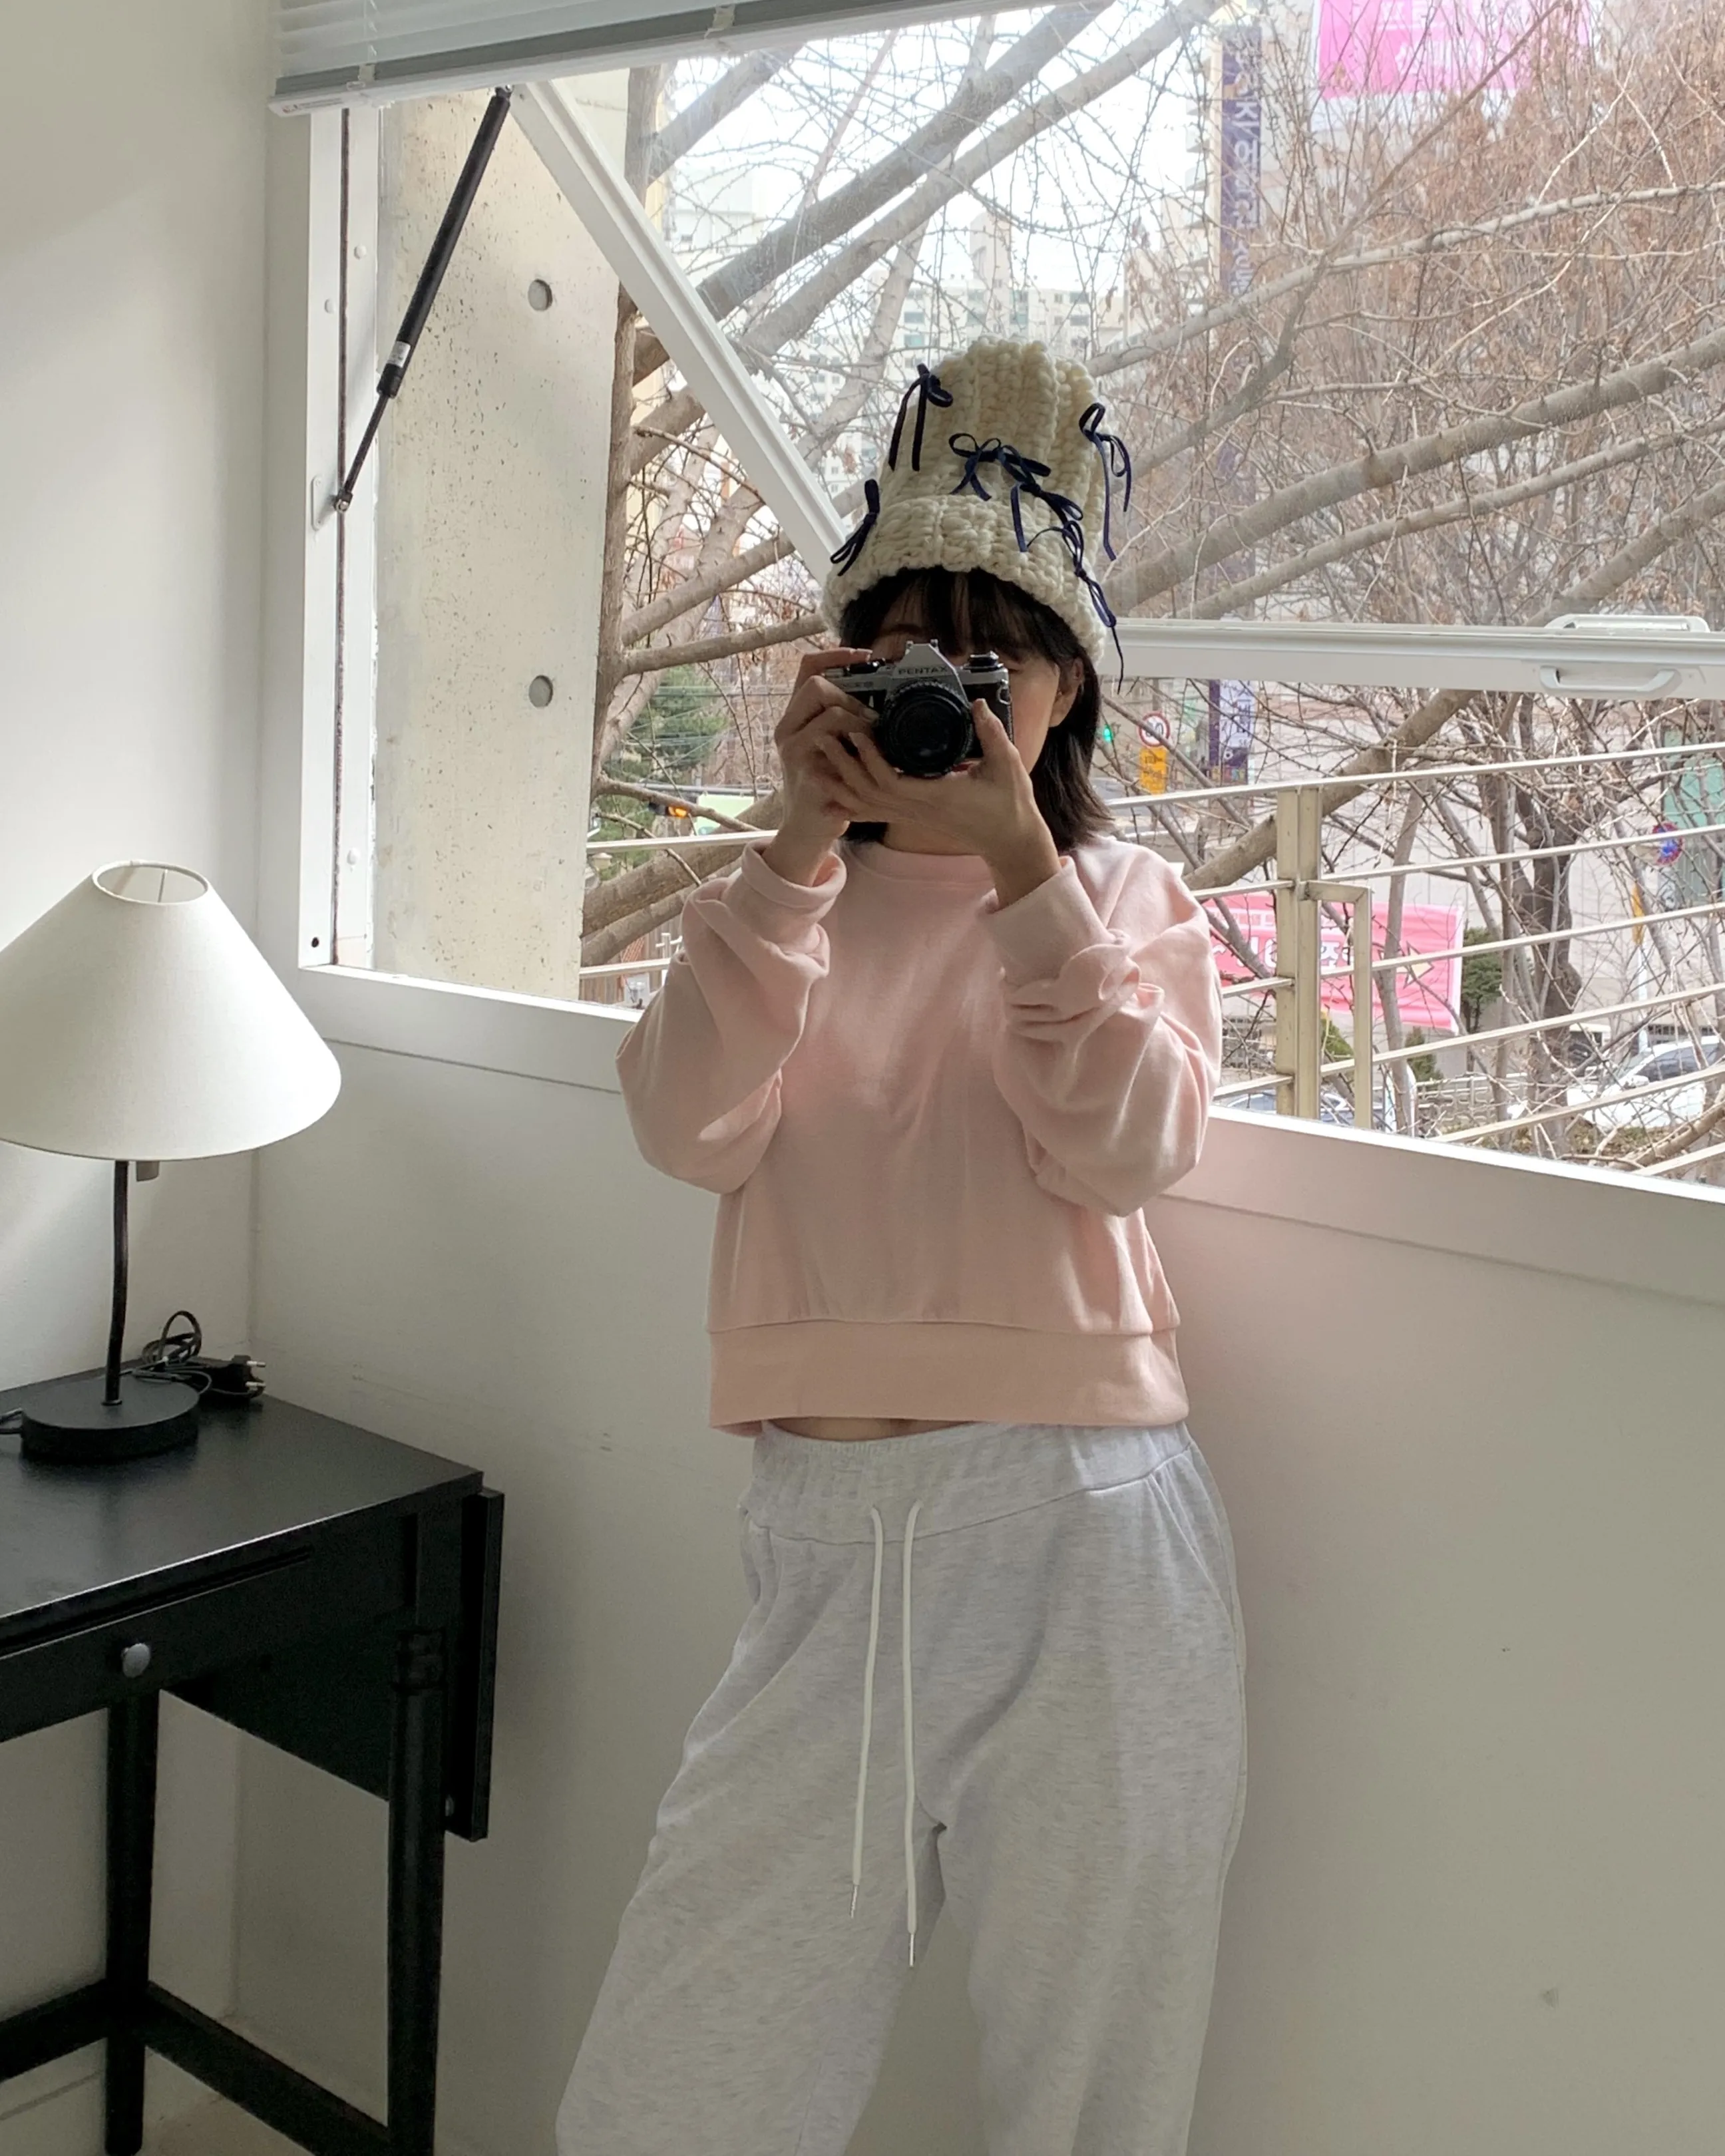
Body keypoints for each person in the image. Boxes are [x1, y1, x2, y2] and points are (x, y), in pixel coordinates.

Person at [557, 339, 1245, 2156]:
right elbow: (685, 1126)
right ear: (844, 668)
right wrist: (794, 842)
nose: (949, 690)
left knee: (1096, 2103)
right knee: (670, 2101)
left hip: (1088, 1541)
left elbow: (1131, 1151)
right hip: (829, 1547)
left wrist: (1021, 874)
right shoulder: (782, 907)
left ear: (1068, 685)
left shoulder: (1119, 902)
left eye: (993, 656)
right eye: (907, 650)